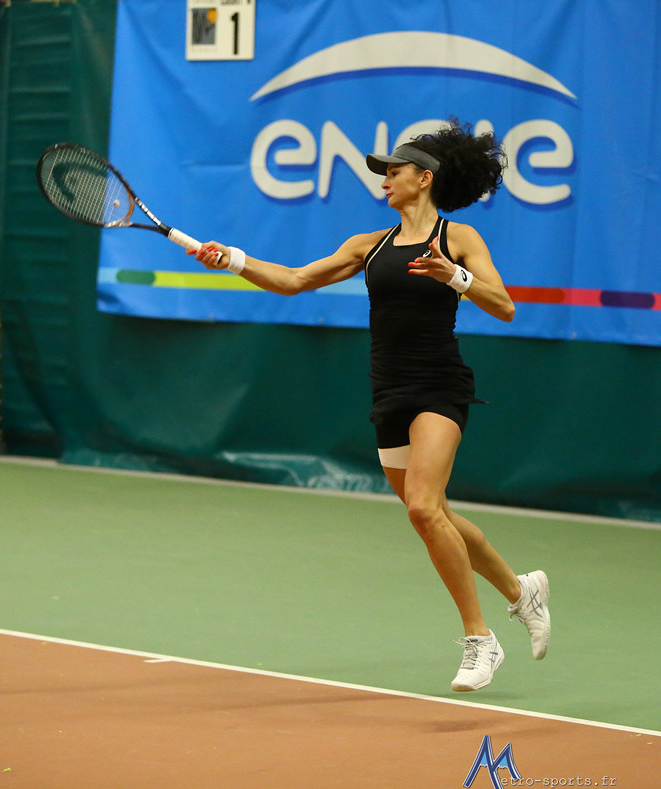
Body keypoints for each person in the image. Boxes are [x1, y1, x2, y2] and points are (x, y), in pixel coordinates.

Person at [188, 120, 550, 692]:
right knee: (437, 514)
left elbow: (503, 305)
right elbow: (294, 280)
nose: (384, 180)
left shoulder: (459, 239)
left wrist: (454, 275)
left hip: (439, 386)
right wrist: (233, 259)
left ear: (423, 178)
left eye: (393, 171)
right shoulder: (369, 245)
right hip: (388, 389)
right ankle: (521, 591)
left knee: (423, 510)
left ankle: (479, 638)